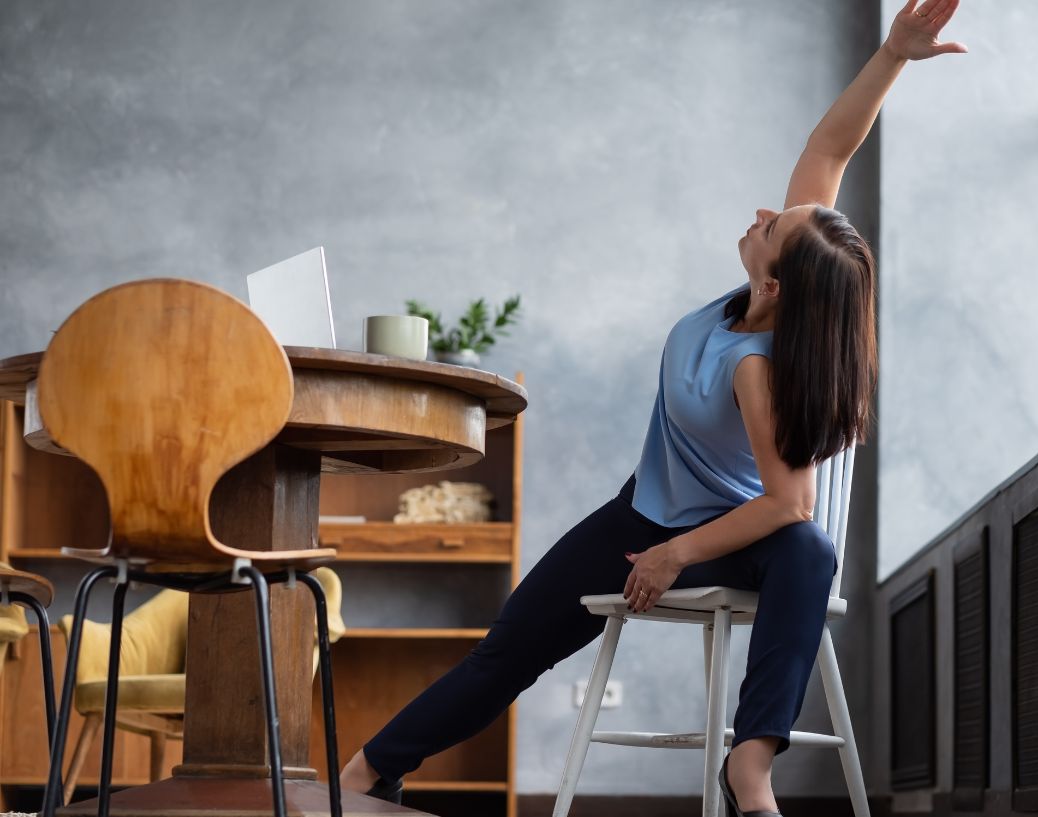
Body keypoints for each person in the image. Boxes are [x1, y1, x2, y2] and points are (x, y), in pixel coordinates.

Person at [339, 0, 966, 812]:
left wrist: (676, 554)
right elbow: (828, 146)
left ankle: (750, 767)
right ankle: (370, 769)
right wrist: (892, 55)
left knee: (808, 548)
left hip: (729, 540)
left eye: (775, 226)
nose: (766, 213)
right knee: (508, 650)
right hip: (637, 516)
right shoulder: (773, 291)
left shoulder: (760, 369)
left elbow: (790, 502)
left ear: (775, 286)